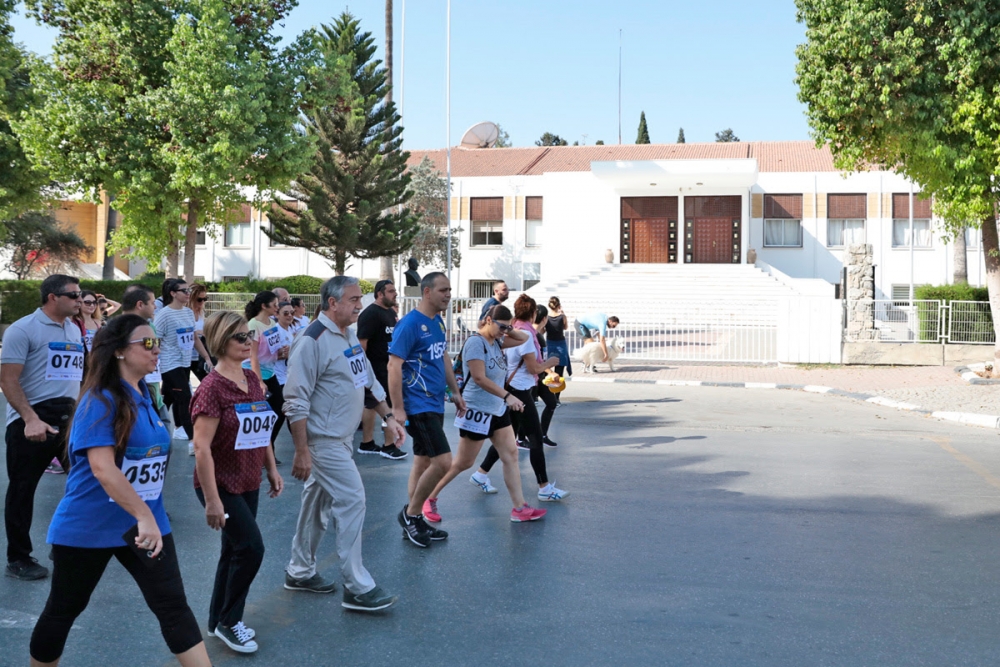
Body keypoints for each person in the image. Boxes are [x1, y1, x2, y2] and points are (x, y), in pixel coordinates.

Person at [28, 314, 212, 667]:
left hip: (146, 523)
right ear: (118, 353)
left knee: (173, 607)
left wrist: (148, 515)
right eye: (147, 343)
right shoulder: (100, 400)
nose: (156, 348)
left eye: (157, 342)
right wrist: (143, 515)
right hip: (90, 525)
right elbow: (102, 468)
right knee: (63, 609)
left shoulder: (146, 395)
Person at [283, 276, 402, 611]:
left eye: (359, 299)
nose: (359, 305)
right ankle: (357, 586)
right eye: (353, 299)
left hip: (340, 438)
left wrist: (388, 417)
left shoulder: (347, 335)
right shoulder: (311, 341)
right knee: (352, 500)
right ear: (332, 303)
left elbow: (366, 380)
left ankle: (300, 570)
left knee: (315, 507)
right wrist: (302, 451)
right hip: (323, 442)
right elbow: (295, 401)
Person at [190, 311, 283, 654]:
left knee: (233, 550)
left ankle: (217, 620)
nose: (249, 342)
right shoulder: (212, 389)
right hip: (219, 484)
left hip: (248, 479)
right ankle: (231, 621)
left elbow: (262, 431)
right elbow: (201, 447)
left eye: (249, 336)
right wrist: (212, 501)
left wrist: (271, 468)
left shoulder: (252, 380)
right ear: (219, 342)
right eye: (240, 338)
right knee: (251, 549)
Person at [420, 305, 546, 524]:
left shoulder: (498, 341)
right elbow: (479, 378)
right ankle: (427, 498)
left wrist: (506, 329)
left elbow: (524, 337)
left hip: (496, 409)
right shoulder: (475, 343)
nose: (504, 331)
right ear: (488, 320)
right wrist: (508, 396)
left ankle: (519, 508)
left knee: (511, 455)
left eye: (508, 327)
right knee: (463, 463)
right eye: (501, 326)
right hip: (476, 410)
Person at [1, 275, 83, 580]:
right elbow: (7, 379)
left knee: (85, 484)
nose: (79, 300)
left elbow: (75, 379)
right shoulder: (23, 329)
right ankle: (18, 558)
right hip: (32, 420)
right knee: (22, 491)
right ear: (52, 297)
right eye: (74, 295)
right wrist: (30, 419)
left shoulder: (73, 329)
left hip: (69, 419)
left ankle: (66, 545)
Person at [388, 272, 464, 548]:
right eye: (443, 290)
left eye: (450, 289)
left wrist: (454, 390)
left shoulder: (437, 322)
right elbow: (393, 366)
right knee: (443, 462)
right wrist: (397, 408)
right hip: (417, 404)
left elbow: (442, 355)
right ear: (427, 292)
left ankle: (415, 518)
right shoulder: (409, 324)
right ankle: (410, 515)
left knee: (421, 462)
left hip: (434, 401)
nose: (448, 294)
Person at [473, 294, 568, 503]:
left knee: (507, 438)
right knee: (535, 438)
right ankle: (544, 487)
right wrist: (550, 363)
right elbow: (533, 367)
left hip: (512, 387)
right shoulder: (524, 334)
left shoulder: (511, 331)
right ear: (533, 313)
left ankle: (480, 473)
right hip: (520, 391)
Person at [154, 279, 213, 456]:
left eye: (188, 291)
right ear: (173, 293)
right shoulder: (164, 314)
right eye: (184, 291)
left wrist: (206, 357)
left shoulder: (188, 312)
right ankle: (193, 441)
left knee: (167, 399)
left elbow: (194, 338)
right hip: (169, 363)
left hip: (185, 362)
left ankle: (151, 427)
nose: (188, 294)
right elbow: (154, 339)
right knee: (185, 399)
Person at [357, 279, 406, 460]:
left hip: (387, 366)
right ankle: (389, 445)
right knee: (389, 405)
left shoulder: (389, 313)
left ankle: (367, 443)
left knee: (371, 405)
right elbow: (362, 344)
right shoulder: (370, 314)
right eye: (391, 291)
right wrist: (363, 371)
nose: (395, 294)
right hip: (376, 368)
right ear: (380, 294)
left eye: (395, 290)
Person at [268, 302, 297, 462]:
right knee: (280, 414)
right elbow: (267, 354)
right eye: (285, 313)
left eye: (292, 313)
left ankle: (303, 449)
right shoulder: (275, 331)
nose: (290, 316)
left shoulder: (291, 330)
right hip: (277, 378)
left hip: (289, 377)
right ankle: (268, 448)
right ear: (277, 314)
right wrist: (282, 355)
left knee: (291, 413)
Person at [242, 291, 279, 394]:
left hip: (269, 372)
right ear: (264, 306)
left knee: (279, 406)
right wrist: (259, 381)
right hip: (254, 372)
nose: (277, 308)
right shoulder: (253, 325)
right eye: (274, 305)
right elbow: (252, 355)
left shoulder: (272, 322)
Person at [546, 296, 572, 382]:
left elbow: (543, 330)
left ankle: (547, 390)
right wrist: (563, 314)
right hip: (560, 343)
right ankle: (556, 394)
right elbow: (565, 327)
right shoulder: (562, 316)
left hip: (549, 343)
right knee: (559, 370)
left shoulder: (546, 317)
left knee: (546, 367)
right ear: (559, 306)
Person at [188, 284, 210, 381]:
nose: (202, 302)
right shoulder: (186, 312)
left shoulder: (201, 312)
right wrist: (199, 332)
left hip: (199, 354)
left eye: (205, 299)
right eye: (199, 299)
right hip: (187, 355)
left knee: (207, 380)